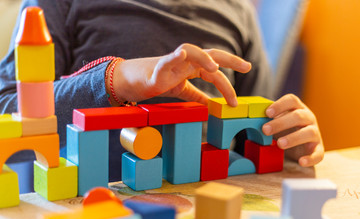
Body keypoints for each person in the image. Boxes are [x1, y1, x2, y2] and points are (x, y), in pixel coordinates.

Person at [0, 0, 323, 181]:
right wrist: (117, 79)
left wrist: (286, 141)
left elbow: (257, 125)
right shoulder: (55, 5)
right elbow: (8, 110)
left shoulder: (238, 13)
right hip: (81, 208)